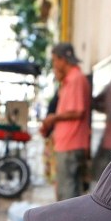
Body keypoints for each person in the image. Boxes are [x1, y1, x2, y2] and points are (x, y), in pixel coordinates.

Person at [41, 42, 91, 200]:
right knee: (63, 189)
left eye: (55, 60)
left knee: (68, 191)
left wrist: (54, 118)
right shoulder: (69, 80)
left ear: (62, 60)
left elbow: (78, 111)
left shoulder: (76, 78)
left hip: (72, 143)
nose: (54, 64)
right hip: (65, 143)